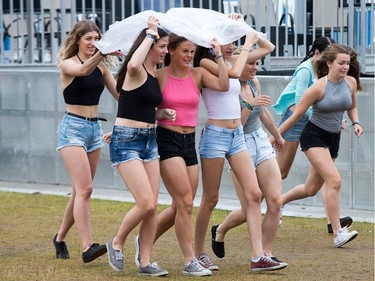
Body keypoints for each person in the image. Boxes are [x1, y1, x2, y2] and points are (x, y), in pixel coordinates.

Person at [192, 13, 286, 272]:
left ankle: (258, 256)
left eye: (233, 40)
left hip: (237, 136)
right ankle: (197, 252)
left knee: (255, 195)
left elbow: (268, 48)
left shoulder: (234, 57)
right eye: (227, 39)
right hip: (215, 136)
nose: (232, 44)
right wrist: (244, 44)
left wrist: (243, 27)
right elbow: (232, 74)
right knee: (210, 199)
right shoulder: (205, 61)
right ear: (212, 40)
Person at [148, 33, 229, 277]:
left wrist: (217, 55)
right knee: (184, 202)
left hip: (189, 142)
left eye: (192, 51)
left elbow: (224, 85)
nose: (189, 55)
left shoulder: (198, 74)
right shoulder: (160, 76)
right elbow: (143, 110)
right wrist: (160, 115)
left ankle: (144, 244)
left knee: (181, 206)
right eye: (184, 50)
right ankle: (189, 260)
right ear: (171, 51)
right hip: (167, 140)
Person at [104, 16, 175, 276]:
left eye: (167, 46)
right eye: (163, 46)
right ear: (150, 45)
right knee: (145, 203)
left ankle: (145, 261)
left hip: (149, 140)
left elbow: (142, 109)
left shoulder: (155, 75)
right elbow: (134, 61)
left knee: (153, 205)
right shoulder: (135, 69)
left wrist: (162, 113)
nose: (166, 51)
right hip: (127, 141)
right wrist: (151, 33)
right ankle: (117, 242)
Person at [272, 43, 363, 248]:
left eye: (347, 63)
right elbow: (296, 116)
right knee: (335, 180)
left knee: (311, 188)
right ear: (329, 63)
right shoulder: (318, 87)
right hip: (313, 137)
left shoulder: (350, 82)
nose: (345, 67)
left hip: (333, 138)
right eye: (341, 63)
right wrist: (275, 136)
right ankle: (338, 232)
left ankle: (278, 202)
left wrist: (356, 122)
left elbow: (353, 106)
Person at [53, 20, 120, 263]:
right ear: (78, 40)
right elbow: (81, 71)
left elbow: (120, 95)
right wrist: (102, 52)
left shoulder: (101, 67)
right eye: (88, 39)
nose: (93, 43)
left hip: (94, 130)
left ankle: (60, 238)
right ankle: (87, 246)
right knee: (86, 189)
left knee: (79, 191)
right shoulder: (68, 63)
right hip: (73, 128)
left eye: (96, 39)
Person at [211, 54, 287, 266]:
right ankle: (221, 229)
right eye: (251, 64)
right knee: (249, 208)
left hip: (259, 139)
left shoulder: (254, 81)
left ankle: (266, 253)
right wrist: (249, 105)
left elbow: (263, 113)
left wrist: (277, 135)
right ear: (238, 66)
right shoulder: (229, 87)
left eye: (256, 63)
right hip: (238, 143)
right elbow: (237, 124)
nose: (255, 67)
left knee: (275, 200)